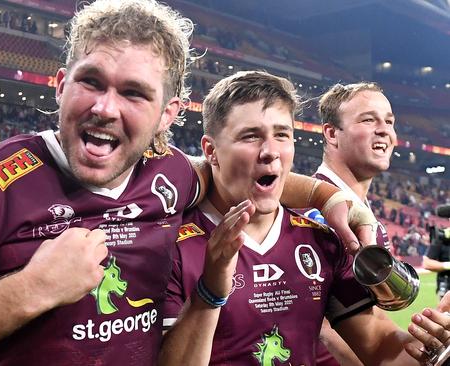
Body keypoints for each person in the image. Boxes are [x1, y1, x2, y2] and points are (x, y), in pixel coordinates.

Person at [0, 2, 372, 365]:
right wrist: (31, 290)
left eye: (134, 94)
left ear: (167, 114)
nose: (105, 107)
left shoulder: (169, 174)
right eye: (91, 82)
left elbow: (245, 177)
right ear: (61, 85)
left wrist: (331, 197)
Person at [158, 71, 432, 365]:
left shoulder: (321, 240)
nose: (270, 152)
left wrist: (434, 349)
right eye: (251, 136)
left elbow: (379, 347)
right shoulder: (171, 245)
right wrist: (209, 292)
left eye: (282, 135)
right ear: (211, 151)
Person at [312, 82, 397, 365]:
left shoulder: (366, 219)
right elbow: (319, 327)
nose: (384, 129)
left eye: (389, 120)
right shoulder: (317, 216)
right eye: (368, 119)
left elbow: (369, 321)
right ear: (332, 133)